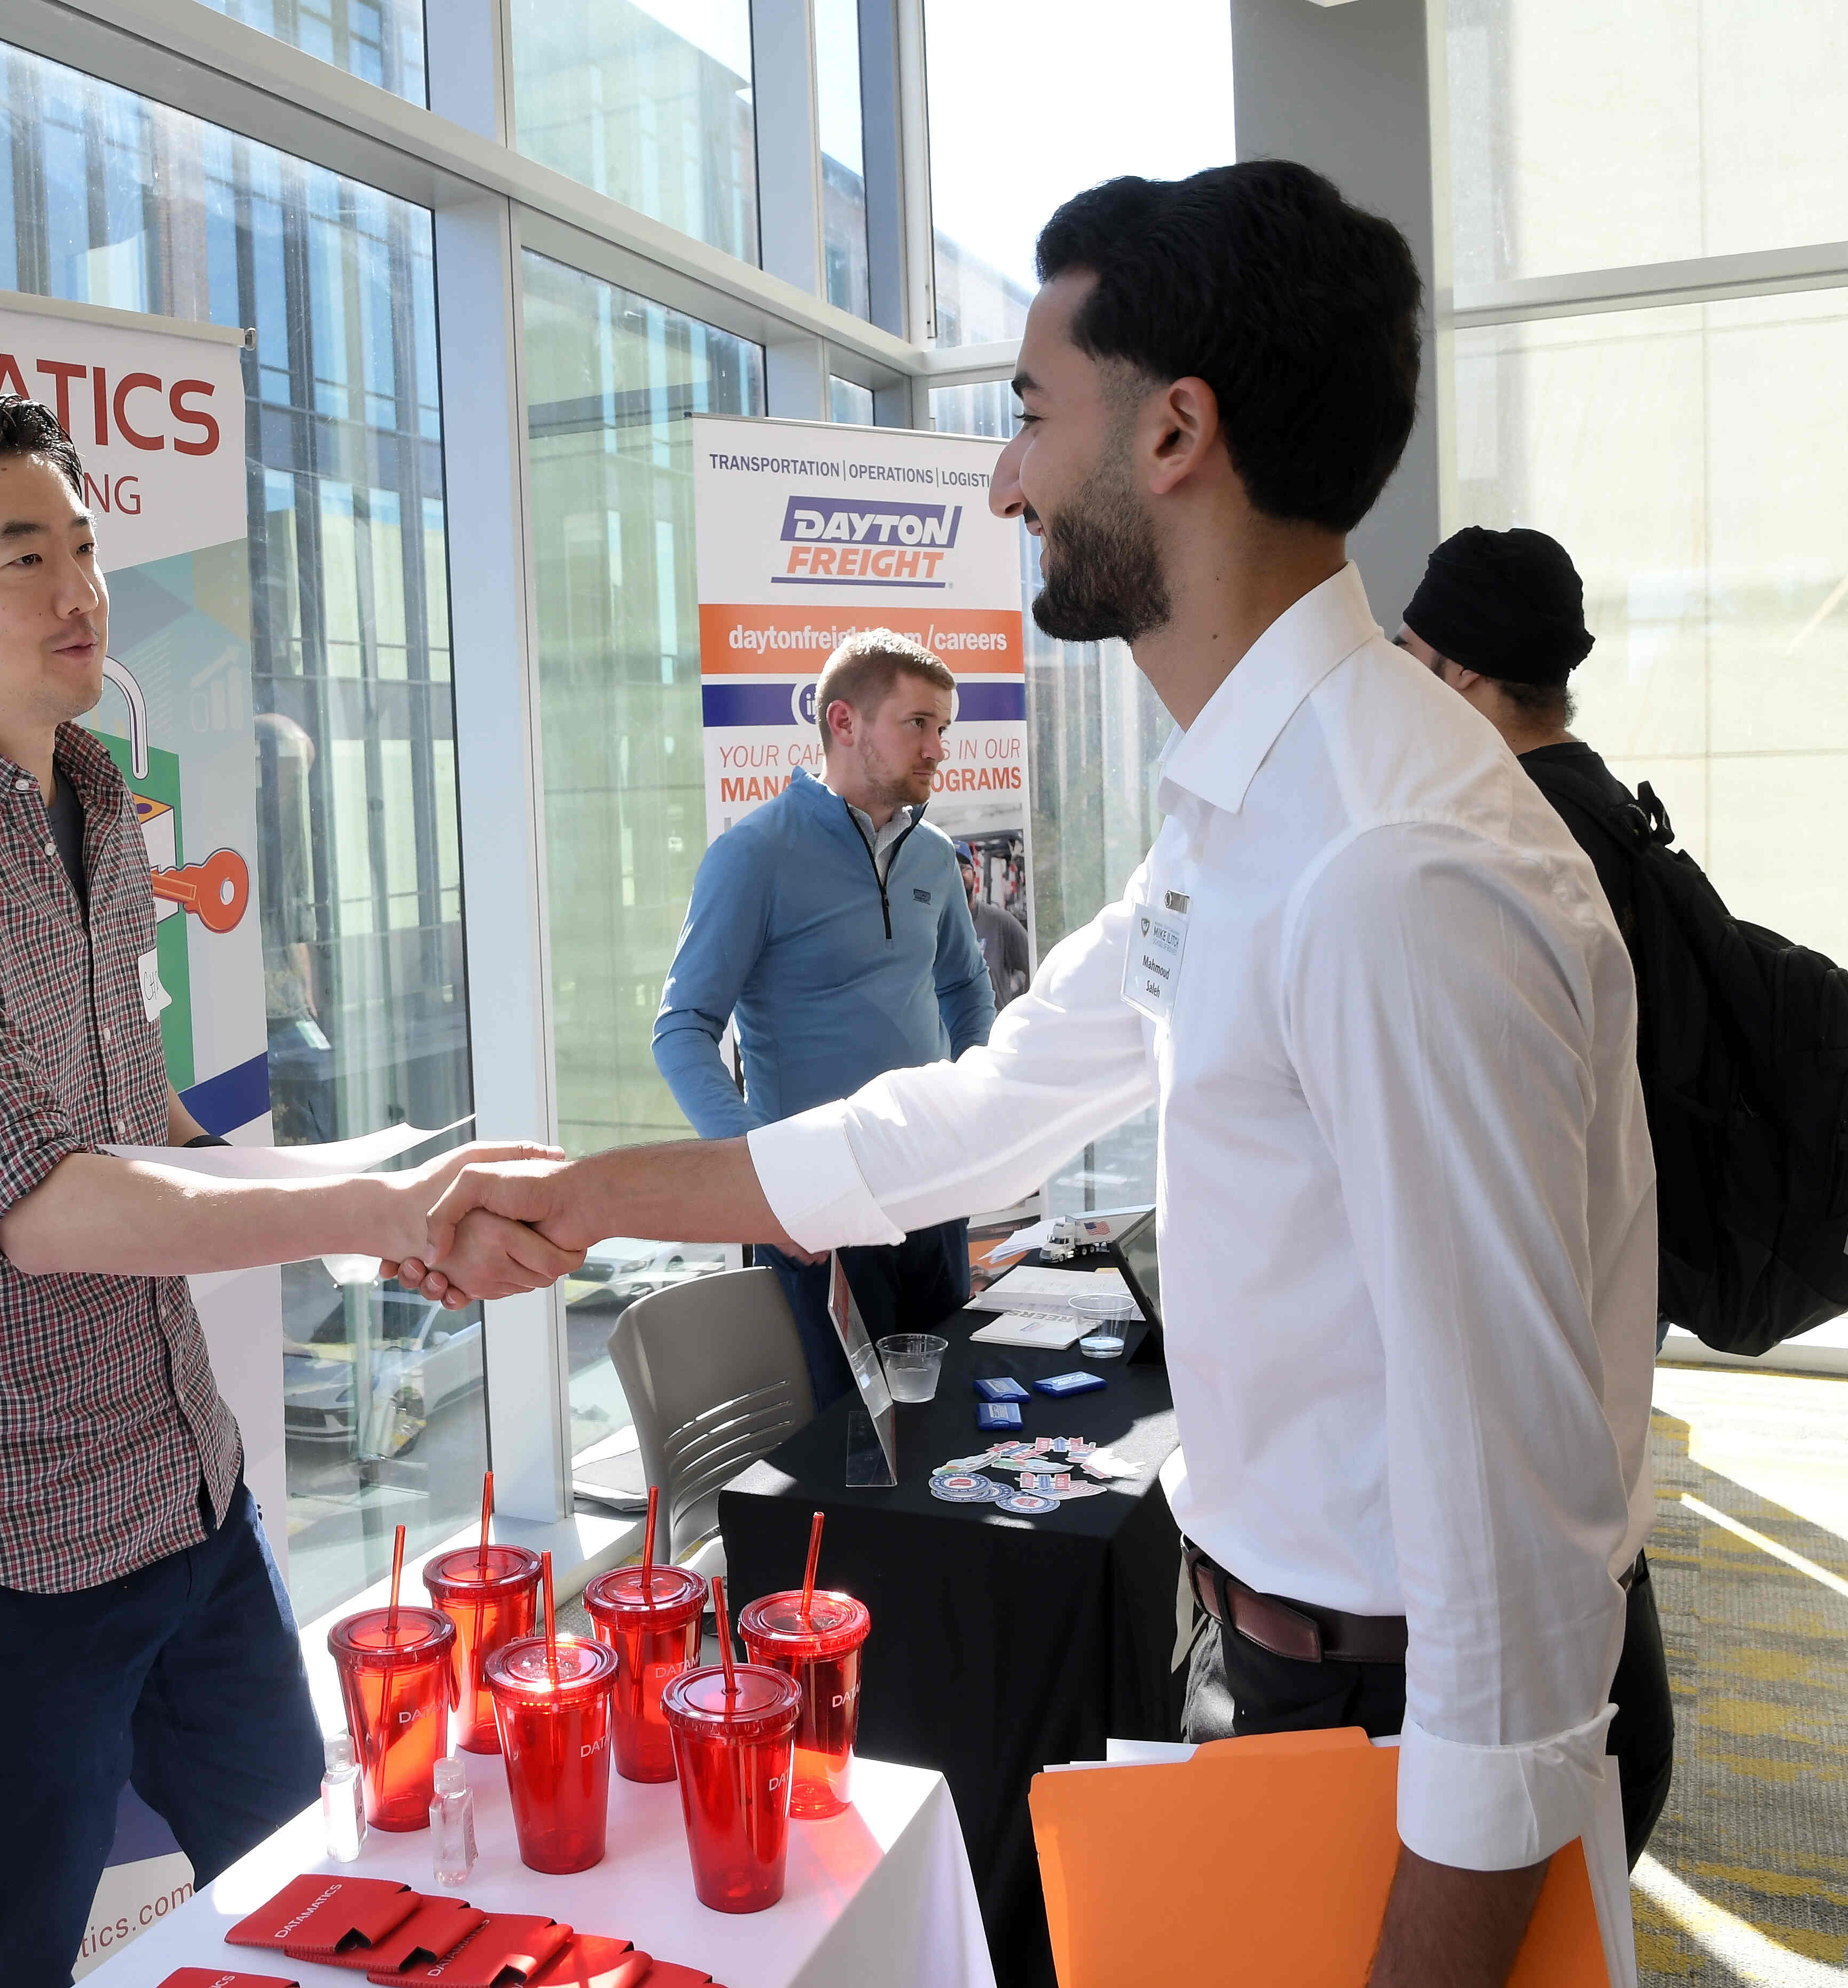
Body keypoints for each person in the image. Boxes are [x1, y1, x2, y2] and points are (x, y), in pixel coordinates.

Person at [404, 163, 1673, 1986]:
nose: (999, 474)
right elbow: (969, 1113)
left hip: (1428, 1732)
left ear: (1172, 433)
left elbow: (1514, 1557)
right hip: (1302, 1667)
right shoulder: (1247, 811)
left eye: (1023, 412)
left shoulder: (1385, 870)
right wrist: (588, 1197)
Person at [0, 397, 576, 1988]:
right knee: (10, 1945)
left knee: (297, 1878)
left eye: (83, 546)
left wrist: (394, 1179)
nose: (79, 590)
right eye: (24, 557)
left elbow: (140, 1136)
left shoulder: (87, 793)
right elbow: (49, 1202)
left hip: (182, 1479)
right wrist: (381, 1210)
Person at [651, 631, 996, 1406]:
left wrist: (975, 1106)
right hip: (817, 1207)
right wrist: (758, 1182)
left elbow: (968, 991)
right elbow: (681, 1030)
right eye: (918, 725)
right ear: (844, 723)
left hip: (930, 1186)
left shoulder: (935, 856)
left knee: (944, 1424)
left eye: (944, 728)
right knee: (848, 1452)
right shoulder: (754, 855)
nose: (938, 748)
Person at [1392, 526, 1640, 939]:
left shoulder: (1509, 832)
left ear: (1464, 668)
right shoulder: (1599, 797)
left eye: (1406, 655)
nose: (1396, 677)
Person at [958, 845, 1034, 1007]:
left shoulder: (1000, 922)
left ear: (974, 874)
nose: (957, 874)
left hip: (993, 1029)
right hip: (948, 1030)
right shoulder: (932, 926)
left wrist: (1028, 1012)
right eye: (950, 868)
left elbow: (1036, 965)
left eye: (963, 868)